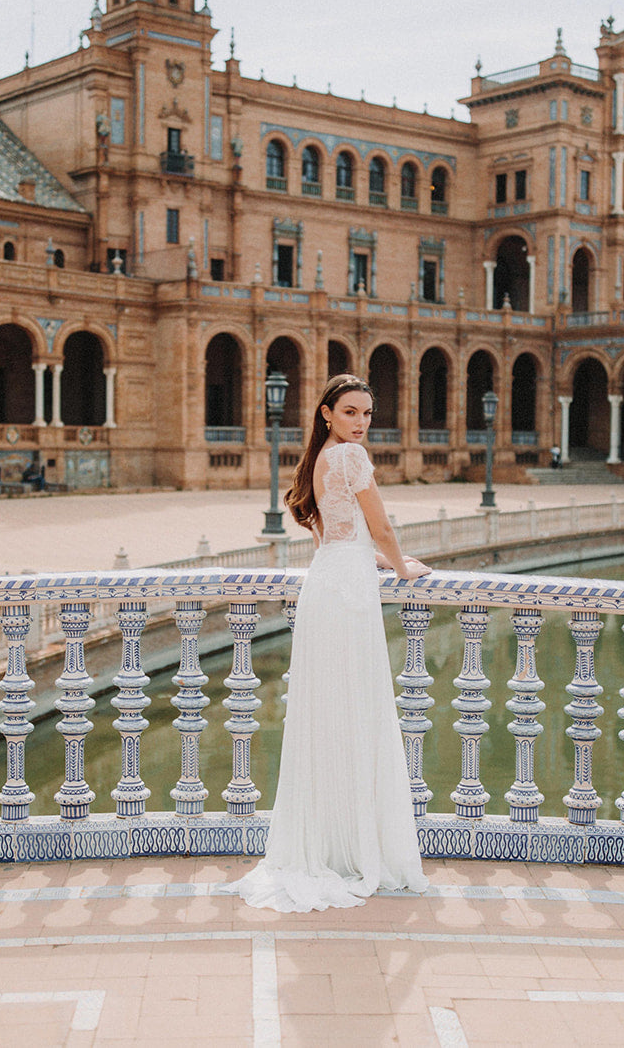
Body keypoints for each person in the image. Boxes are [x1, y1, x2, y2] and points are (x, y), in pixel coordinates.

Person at [234, 374, 431, 912]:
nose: (361, 423)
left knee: (330, 713)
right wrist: (401, 567)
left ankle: (330, 843)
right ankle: (356, 846)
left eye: (367, 413)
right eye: (350, 412)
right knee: (358, 710)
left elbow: (338, 537)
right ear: (327, 413)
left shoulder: (320, 459)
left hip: (329, 584)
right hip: (348, 596)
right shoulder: (349, 459)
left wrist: (380, 561)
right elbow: (381, 527)